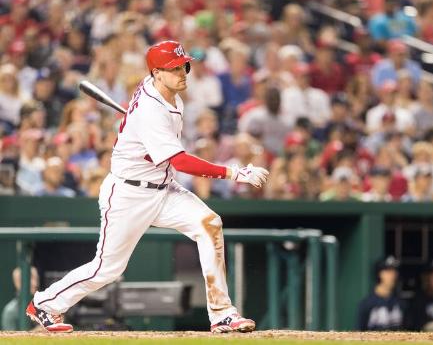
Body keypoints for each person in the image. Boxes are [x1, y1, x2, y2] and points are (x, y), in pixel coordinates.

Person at [26, 40, 269, 333]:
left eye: (184, 66)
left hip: (163, 189)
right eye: (173, 68)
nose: (182, 73)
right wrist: (233, 172)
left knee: (210, 224)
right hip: (129, 194)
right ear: (156, 73)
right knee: (107, 269)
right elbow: (180, 161)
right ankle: (45, 304)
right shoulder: (150, 110)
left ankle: (222, 314)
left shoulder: (168, 94)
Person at [357, 256, 405, 331]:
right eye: (388, 271)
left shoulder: (401, 303)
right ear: (380, 274)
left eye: (394, 271)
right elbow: (359, 332)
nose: (393, 275)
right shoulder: (367, 303)